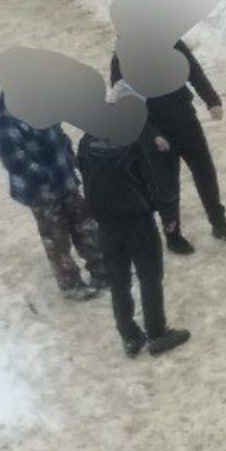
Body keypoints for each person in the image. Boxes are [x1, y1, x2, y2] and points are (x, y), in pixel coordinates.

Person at [109, 40, 226, 254]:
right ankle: (172, 234)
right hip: (155, 130)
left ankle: (219, 222)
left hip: (185, 119)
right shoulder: (122, 58)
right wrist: (151, 134)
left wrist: (212, 100)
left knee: (205, 172)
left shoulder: (170, 41)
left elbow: (193, 69)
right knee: (166, 184)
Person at [77, 118, 190, 358]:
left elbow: (86, 180)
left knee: (118, 281)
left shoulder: (85, 145)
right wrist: (168, 214)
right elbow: (152, 179)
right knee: (149, 277)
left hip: (106, 225)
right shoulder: (131, 143)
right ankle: (157, 333)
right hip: (138, 221)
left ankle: (129, 336)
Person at [0, 92, 107, 301]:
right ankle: (70, 284)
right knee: (56, 237)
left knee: (85, 225)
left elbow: (58, 133)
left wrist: (70, 157)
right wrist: (47, 179)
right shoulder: (5, 119)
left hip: (65, 178)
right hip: (41, 191)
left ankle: (102, 271)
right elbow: (15, 161)